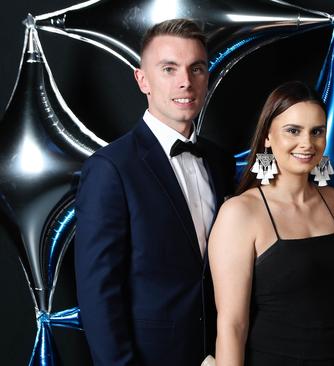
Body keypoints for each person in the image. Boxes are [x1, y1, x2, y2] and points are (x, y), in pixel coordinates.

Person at [74, 19, 234, 366]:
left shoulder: (220, 161)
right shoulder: (110, 168)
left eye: (197, 68)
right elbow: (98, 294)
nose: (185, 82)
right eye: (169, 68)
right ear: (142, 79)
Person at [209, 81, 334, 365]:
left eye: (317, 132)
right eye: (293, 131)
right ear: (267, 135)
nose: (307, 143)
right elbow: (232, 327)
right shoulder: (240, 213)